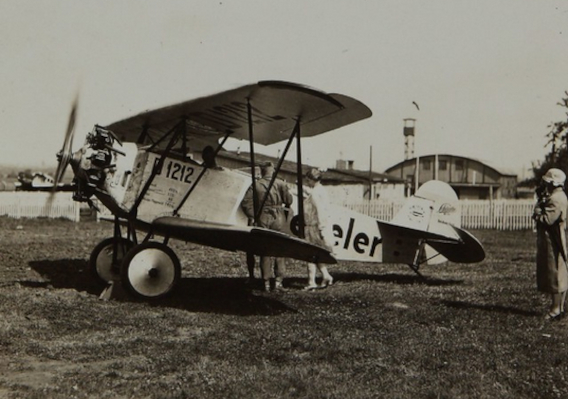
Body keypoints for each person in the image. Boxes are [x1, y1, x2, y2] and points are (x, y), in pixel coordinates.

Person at [241, 162, 293, 292]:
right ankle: (279, 281)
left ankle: (266, 282)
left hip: (262, 217)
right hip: (278, 217)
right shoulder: (280, 183)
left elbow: (246, 202)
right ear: (272, 171)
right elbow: (289, 200)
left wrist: (254, 215)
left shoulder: (256, 184)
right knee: (279, 248)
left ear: (262, 171)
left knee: (265, 250)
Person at [533, 168, 568, 320]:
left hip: (552, 240)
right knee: (559, 271)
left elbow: (547, 220)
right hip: (555, 237)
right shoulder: (557, 196)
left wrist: (537, 212)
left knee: (555, 273)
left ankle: (555, 309)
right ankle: (559, 307)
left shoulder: (556, 199)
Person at [303, 168, 334, 290]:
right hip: (318, 225)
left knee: (309, 254)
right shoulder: (321, 190)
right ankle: (326, 275)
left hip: (314, 226)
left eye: (308, 180)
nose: (307, 183)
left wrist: (321, 227)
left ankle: (311, 282)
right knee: (316, 253)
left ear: (312, 180)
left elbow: (320, 210)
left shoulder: (315, 193)